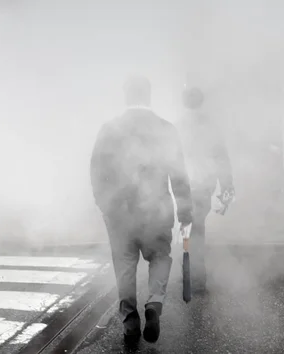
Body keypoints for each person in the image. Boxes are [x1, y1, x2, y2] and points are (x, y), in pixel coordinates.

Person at [90, 75, 193, 344]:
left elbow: (97, 171)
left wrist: (105, 205)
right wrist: (185, 214)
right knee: (160, 257)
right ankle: (154, 304)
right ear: (149, 96)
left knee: (124, 267)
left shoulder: (110, 129)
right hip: (156, 209)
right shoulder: (166, 129)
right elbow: (179, 175)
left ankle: (130, 323)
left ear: (126, 97)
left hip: (120, 213)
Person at [176, 86, 235, 293]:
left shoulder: (178, 126)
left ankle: (189, 276)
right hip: (203, 185)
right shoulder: (210, 126)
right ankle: (197, 279)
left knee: (187, 228)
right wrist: (227, 188)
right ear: (202, 102)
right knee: (198, 229)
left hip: (183, 185)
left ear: (184, 102)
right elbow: (222, 159)